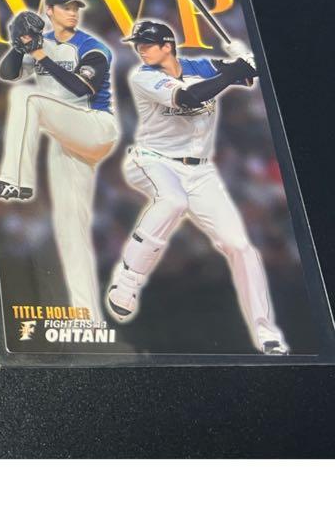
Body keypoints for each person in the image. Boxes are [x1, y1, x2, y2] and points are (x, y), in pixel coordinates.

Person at [106, 19, 289, 354]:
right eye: (138, 44)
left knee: (241, 247)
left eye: (147, 44)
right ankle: (128, 279)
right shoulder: (143, 76)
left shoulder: (199, 66)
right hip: (154, 159)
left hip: (201, 171)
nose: (141, 49)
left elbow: (251, 75)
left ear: (167, 46)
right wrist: (235, 71)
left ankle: (266, 333)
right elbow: (190, 98)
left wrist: (246, 58)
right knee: (173, 201)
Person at [0, 0, 119, 323]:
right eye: (65, 7)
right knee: (69, 226)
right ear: (49, 11)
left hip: (94, 126)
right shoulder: (41, 43)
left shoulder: (92, 48)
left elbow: (80, 87)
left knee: (26, 97)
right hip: (65, 137)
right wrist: (19, 46)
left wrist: (40, 55)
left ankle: (15, 179)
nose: (72, 12)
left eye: (75, 7)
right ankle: (88, 317)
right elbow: (7, 74)